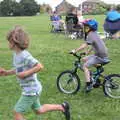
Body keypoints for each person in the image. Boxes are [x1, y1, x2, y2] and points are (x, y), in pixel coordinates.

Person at [0, 26, 70, 120]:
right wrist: (7, 72)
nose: (8, 43)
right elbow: (19, 69)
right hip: (31, 88)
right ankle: (62, 107)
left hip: (31, 90)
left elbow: (39, 66)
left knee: (17, 112)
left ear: (15, 43)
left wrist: (25, 74)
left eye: (9, 41)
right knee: (39, 110)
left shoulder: (25, 55)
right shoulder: (16, 54)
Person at [71, 19, 110, 92]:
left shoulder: (91, 35)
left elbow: (84, 45)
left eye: (86, 27)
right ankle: (98, 69)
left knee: (85, 66)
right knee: (84, 59)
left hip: (101, 57)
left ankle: (88, 85)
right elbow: (93, 45)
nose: (84, 28)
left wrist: (74, 51)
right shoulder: (94, 33)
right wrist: (87, 53)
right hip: (101, 55)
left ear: (90, 28)